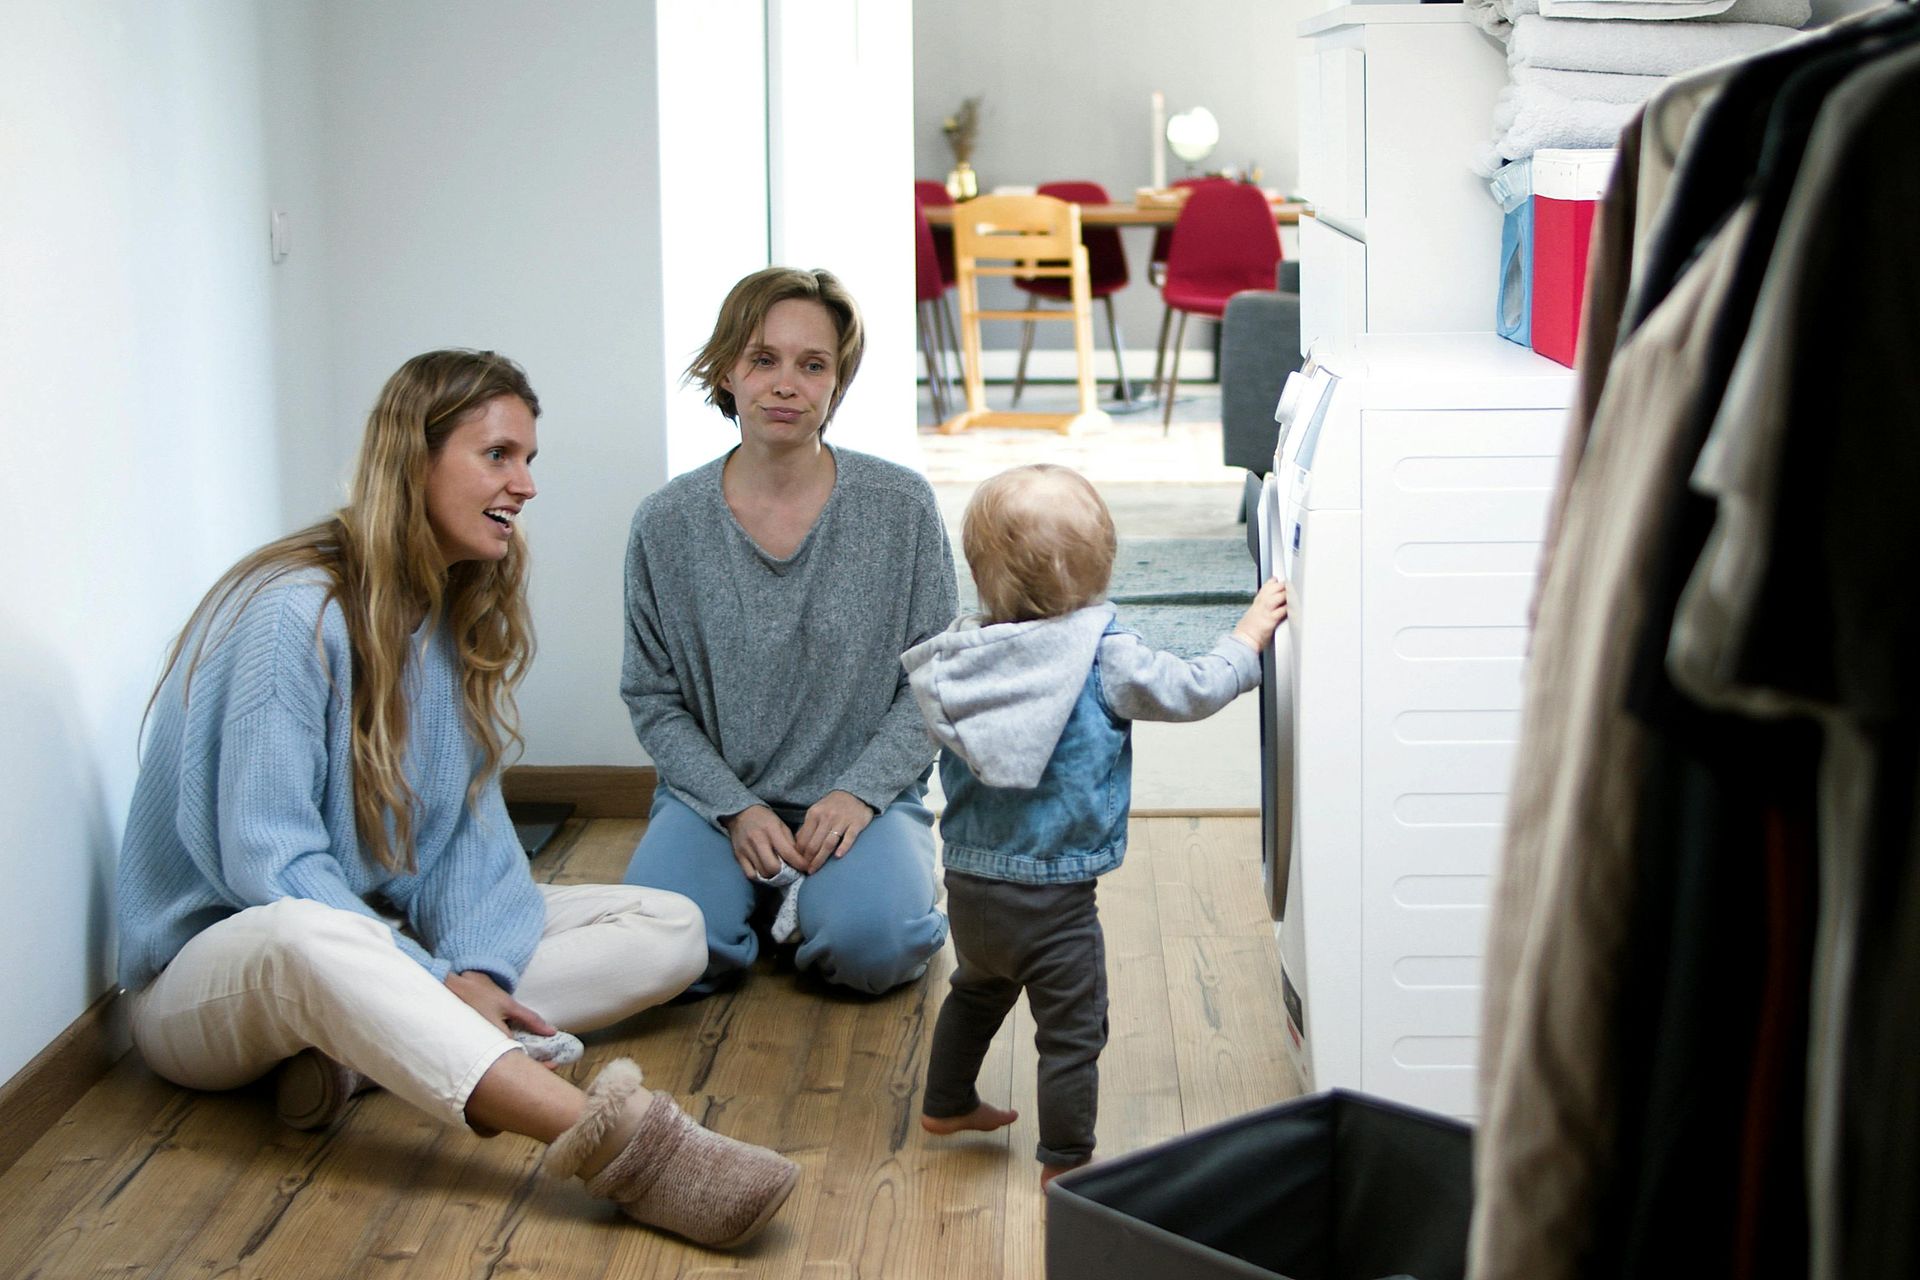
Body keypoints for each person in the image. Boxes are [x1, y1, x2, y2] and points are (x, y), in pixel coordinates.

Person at [115, 350, 797, 1249]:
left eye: (529, 460)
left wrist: (477, 968)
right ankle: (618, 1142)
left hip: (378, 943)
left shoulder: (447, 612)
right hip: (219, 972)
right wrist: (438, 979)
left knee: (668, 927)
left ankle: (361, 1055)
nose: (527, 484)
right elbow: (267, 868)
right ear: (414, 462)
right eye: (499, 456)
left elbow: (471, 847)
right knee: (310, 933)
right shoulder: (293, 614)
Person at [903, 464, 1288, 1184]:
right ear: (1099, 568)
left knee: (976, 989)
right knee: (1074, 1034)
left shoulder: (962, 653)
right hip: (1056, 901)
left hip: (970, 884)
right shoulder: (1106, 652)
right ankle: (1067, 1161)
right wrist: (1244, 641)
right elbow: (1191, 689)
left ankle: (946, 1102)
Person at [620, 267, 957, 996]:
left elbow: (934, 679)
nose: (785, 383)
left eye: (813, 365)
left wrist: (862, 793)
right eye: (763, 359)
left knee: (875, 948)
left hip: (859, 806)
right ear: (727, 370)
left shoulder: (901, 506)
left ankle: (837, 905)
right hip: (714, 805)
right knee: (663, 958)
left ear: (837, 384)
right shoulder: (666, 523)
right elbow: (652, 697)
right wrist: (734, 806)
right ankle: (769, 908)